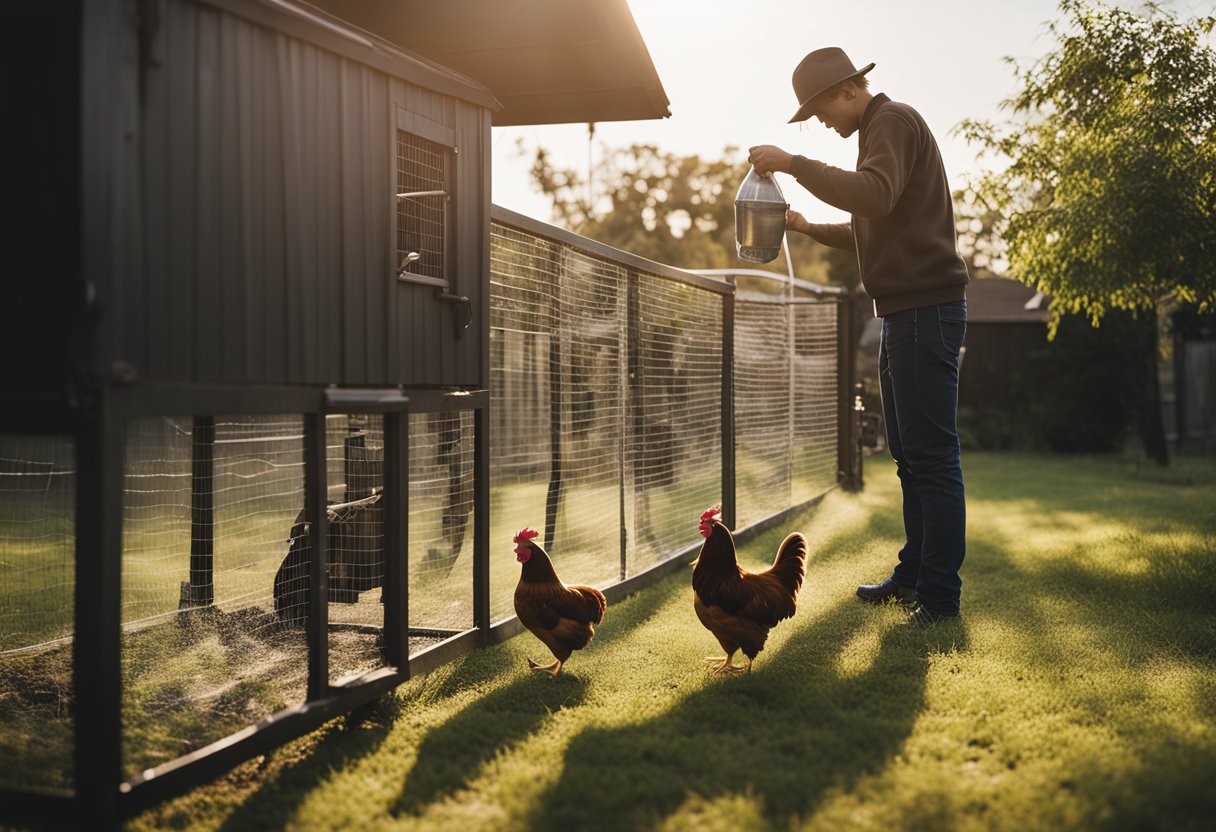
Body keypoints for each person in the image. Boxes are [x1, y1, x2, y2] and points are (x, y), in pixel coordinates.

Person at [749, 47, 969, 625]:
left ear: (847, 91)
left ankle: (940, 598)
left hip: (925, 311)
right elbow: (868, 225)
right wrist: (802, 225)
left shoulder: (891, 123)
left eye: (820, 110)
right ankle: (916, 573)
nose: (821, 122)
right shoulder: (879, 134)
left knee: (932, 459)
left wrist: (794, 162)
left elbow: (872, 196)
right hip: (905, 313)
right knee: (909, 458)